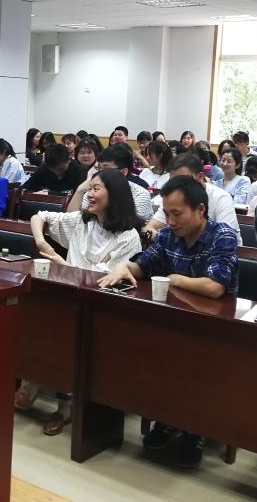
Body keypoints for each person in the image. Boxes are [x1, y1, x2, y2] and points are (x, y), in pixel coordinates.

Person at [98, 176, 239, 469]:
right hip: (174, 323)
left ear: (200, 210)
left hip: (215, 330)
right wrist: (125, 267)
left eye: (177, 214)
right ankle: (167, 417)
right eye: (166, 213)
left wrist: (174, 279)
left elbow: (215, 286)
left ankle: (194, 429)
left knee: (193, 360)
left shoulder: (221, 235)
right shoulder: (167, 236)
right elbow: (143, 265)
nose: (170, 221)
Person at [18, 169, 143, 435]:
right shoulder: (82, 221)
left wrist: (61, 263)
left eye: (96, 189)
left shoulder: (128, 236)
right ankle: (32, 380)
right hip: (67, 298)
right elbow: (39, 217)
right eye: (89, 189)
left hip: (100, 307)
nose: (89, 194)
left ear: (114, 195)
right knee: (34, 316)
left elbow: (102, 279)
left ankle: (62, 403)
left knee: (65, 329)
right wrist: (43, 243)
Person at [145, 152, 239, 237]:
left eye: (183, 181)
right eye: (173, 181)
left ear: (200, 177)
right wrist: (162, 238)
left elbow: (225, 238)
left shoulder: (221, 198)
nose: (176, 186)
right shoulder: (173, 198)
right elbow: (149, 228)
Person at [67, 144, 154, 223]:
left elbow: (128, 225)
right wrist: (80, 190)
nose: (100, 174)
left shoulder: (140, 194)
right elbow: (72, 221)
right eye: (98, 168)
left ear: (123, 172)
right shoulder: (93, 192)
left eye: (106, 169)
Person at [22, 144, 87, 194]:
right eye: (53, 169)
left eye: (60, 169)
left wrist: (49, 193)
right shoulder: (44, 168)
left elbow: (79, 196)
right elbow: (25, 188)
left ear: (69, 160)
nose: (57, 172)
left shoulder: (79, 172)